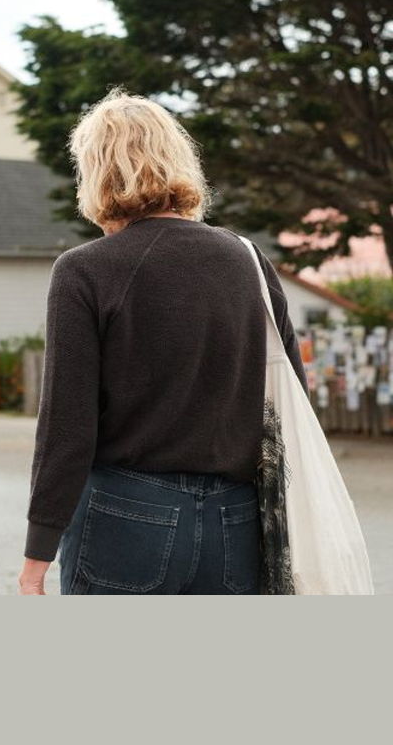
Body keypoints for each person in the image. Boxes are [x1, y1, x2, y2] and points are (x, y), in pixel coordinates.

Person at [18, 88, 309, 595]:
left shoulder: (84, 271)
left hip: (124, 519)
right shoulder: (249, 261)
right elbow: (292, 404)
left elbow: (66, 426)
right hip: (235, 525)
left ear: (96, 172)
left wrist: (36, 556)